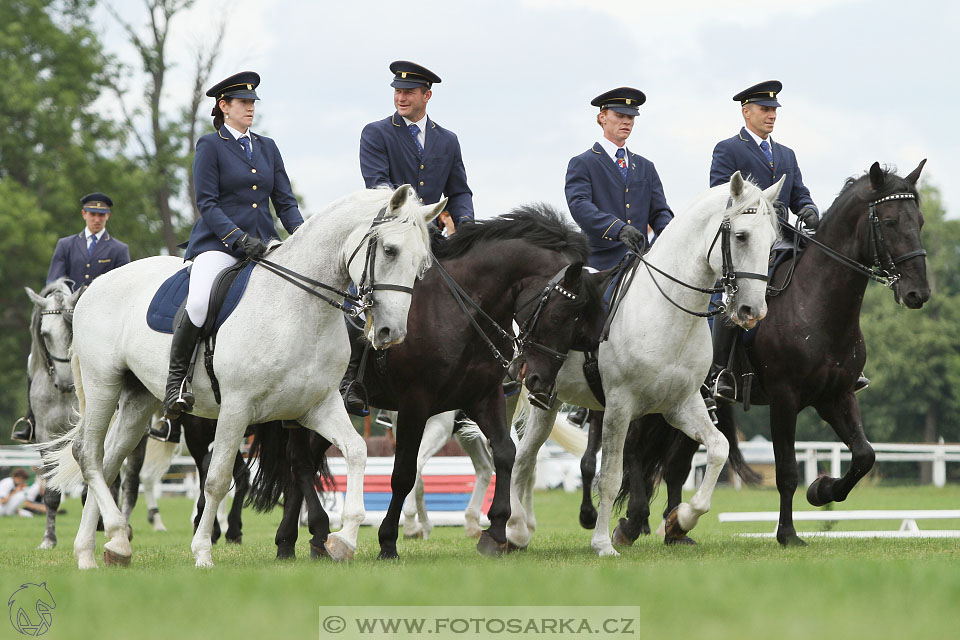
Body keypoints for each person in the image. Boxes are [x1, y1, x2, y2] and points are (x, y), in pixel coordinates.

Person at [152, 71, 304, 441]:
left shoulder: (267, 146)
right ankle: (177, 383)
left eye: (253, 103)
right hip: (218, 246)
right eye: (243, 103)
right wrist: (237, 239)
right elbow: (207, 203)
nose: (250, 108)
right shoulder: (210, 145)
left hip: (265, 245)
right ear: (224, 107)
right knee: (201, 301)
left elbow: (284, 201)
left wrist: (304, 239)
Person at [707, 80, 867, 400]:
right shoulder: (729, 149)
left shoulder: (786, 154)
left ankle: (845, 362)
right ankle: (719, 372)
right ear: (746, 111)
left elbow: (799, 194)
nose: (771, 116)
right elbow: (721, 196)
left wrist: (808, 209)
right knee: (729, 298)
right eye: (765, 110)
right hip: (749, 242)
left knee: (828, 278)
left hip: (784, 240)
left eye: (774, 111)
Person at [341, 61, 476, 416]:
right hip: (392, 236)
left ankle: (473, 375)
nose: (401, 97)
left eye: (409, 92)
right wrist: (414, 220)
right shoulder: (376, 133)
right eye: (397, 91)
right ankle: (352, 379)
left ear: (426, 96)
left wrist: (465, 224)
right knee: (360, 301)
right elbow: (379, 186)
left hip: (432, 239)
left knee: (473, 290)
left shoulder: (448, 140)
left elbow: (460, 191)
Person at [563, 87, 674, 425]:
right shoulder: (583, 163)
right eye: (620, 116)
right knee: (592, 308)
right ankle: (581, 392)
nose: (627, 122)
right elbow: (580, 205)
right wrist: (615, 228)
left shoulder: (646, 167)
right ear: (602, 118)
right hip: (600, 259)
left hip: (641, 262)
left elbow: (661, 213)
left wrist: (669, 241)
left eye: (631, 118)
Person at [11, 192, 130, 443]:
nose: (97, 219)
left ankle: (123, 412)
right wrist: (64, 300)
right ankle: (31, 418)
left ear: (107, 216)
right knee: (34, 357)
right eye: (92, 214)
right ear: (84, 214)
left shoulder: (119, 249)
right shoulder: (66, 245)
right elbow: (53, 281)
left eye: (101, 214)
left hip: (101, 321)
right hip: (65, 316)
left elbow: (123, 286)